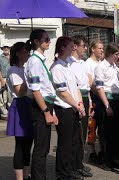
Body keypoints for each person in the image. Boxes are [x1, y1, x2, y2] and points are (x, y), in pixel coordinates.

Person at [50, 36, 86, 180]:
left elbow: (75, 87)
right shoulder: (57, 67)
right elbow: (62, 92)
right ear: (63, 48)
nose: (74, 48)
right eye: (71, 46)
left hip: (72, 107)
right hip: (64, 108)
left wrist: (80, 103)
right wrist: (76, 105)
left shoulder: (67, 65)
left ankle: (71, 168)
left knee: (73, 142)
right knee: (65, 143)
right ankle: (63, 173)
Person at [24, 29, 57, 180]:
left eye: (49, 39)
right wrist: (46, 111)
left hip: (46, 105)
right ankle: (38, 177)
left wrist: (52, 111)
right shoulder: (35, 61)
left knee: (44, 147)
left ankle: (39, 176)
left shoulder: (40, 60)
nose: (49, 42)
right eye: (46, 39)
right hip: (40, 107)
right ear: (37, 42)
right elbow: (36, 90)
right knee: (41, 147)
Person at [6, 42, 33, 180]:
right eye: (25, 52)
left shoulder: (25, 68)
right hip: (20, 105)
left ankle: (27, 174)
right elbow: (19, 91)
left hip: (29, 104)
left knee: (29, 144)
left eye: (28, 52)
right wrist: (29, 76)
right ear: (17, 53)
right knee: (20, 144)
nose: (27, 54)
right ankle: (19, 177)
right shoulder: (13, 70)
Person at [67, 35, 93, 177]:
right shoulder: (69, 63)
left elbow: (86, 85)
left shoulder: (82, 63)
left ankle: (79, 163)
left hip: (84, 97)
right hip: (76, 99)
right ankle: (73, 165)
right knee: (76, 135)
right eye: (83, 45)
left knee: (82, 134)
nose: (85, 48)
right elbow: (74, 86)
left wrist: (88, 101)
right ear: (75, 46)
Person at [95, 43, 119, 170]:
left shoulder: (115, 67)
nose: (118, 57)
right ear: (110, 54)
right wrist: (107, 106)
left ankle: (114, 158)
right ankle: (106, 160)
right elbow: (100, 88)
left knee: (116, 132)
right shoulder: (101, 67)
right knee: (106, 132)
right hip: (106, 101)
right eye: (116, 54)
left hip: (117, 100)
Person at [84, 40, 104, 164]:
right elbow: (90, 83)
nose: (102, 50)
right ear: (92, 49)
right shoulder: (88, 63)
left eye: (102, 48)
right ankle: (92, 151)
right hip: (95, 96)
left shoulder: (102, 62)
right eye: (100, 48)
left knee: (102, 125)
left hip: (103, 97)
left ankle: (102, 149)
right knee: (92, 125)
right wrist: (100, 94)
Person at [0, 43, 11, 119]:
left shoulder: (12, 57)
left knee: (10, 96)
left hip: (11, 79)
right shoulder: (0, 58)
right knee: (2, 96)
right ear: (2, 49)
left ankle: (10, 111)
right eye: (4, 47)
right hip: (2, 78)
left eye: (7, 47)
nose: (6, 48)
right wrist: (1, 79)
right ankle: (4, 112)